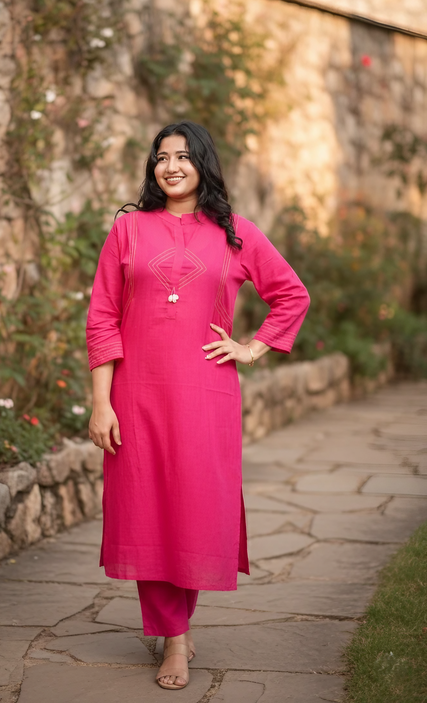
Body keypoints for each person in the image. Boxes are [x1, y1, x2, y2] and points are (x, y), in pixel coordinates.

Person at [86, 121, 310, 690]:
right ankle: (175, 639)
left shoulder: (235, 234)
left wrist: (252, 347)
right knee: (146, 510)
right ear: (152, 167)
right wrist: (101, 403)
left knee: (189, 508)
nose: (172, 166)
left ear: (202, 164)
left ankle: (177, 626)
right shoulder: (128, 231)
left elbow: (291, 294)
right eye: (162, 157)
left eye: (184, 156)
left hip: (206, 395)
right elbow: (102, 319)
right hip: (135, 396)